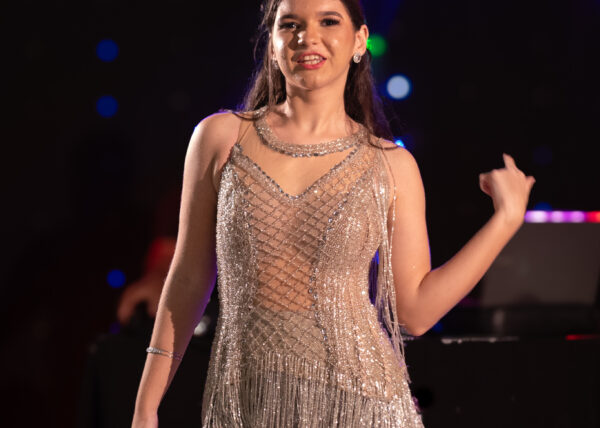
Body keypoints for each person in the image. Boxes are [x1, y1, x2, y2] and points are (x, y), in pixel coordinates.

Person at [131, 0, 536, 426]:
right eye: (291, 24)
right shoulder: (219, 138)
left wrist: (505, 221)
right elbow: (189, 278)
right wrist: (145, 406)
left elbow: (416, 313)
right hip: (246, 402)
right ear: (272, 43)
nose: (308, 37)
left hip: (361, 404)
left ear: (359, 41)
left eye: (328, 21)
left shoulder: (390, 165)